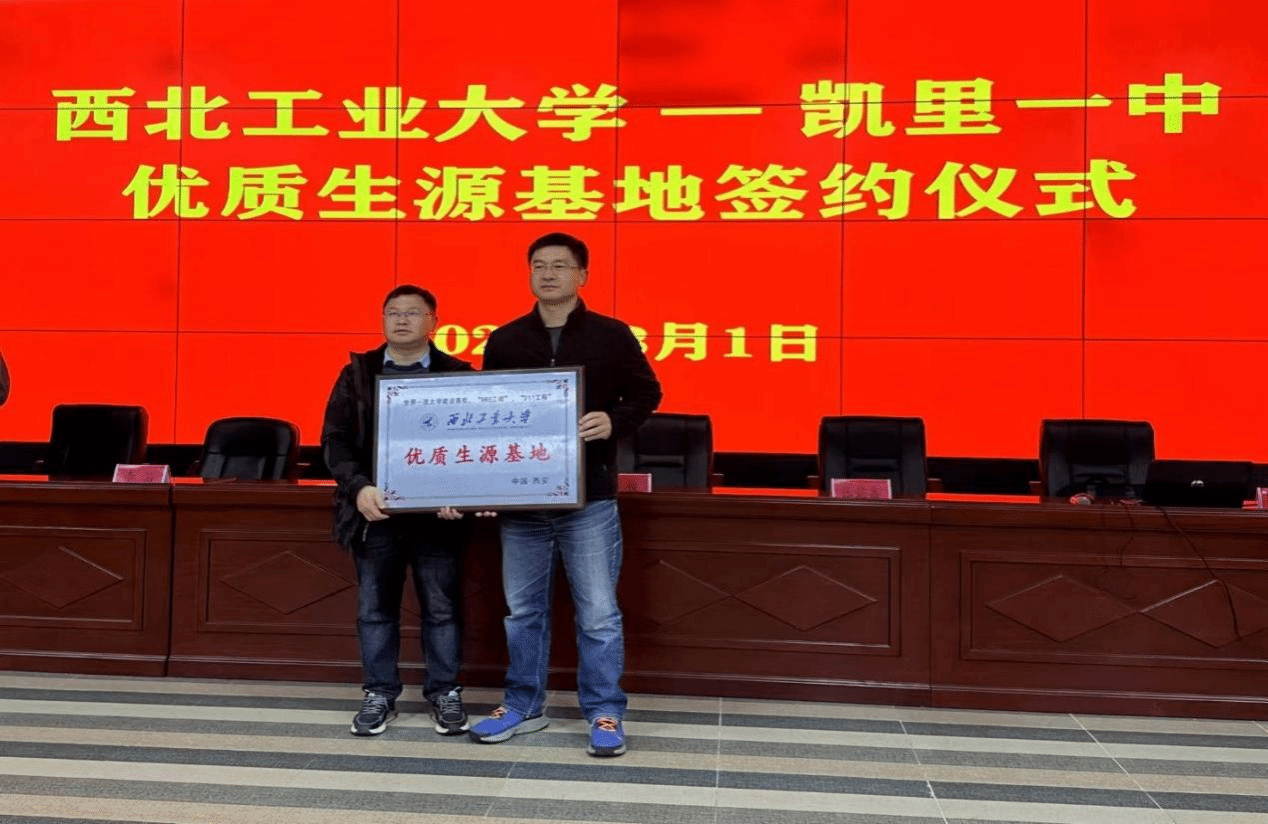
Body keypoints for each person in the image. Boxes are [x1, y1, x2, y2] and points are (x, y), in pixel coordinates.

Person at [470, 232, 662, 757]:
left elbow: (647, 392)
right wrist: (483, 483)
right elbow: (489, 414)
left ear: (583, 275)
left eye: (559, 265)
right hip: (522, 501)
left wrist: (614, 420)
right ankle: (524, 705)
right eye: (539, 265)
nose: (548, 273)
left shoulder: (611, 335)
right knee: (522, 612)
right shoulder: (505, 340)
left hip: (589, 498)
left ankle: (604, 711)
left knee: (598, 613)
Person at [321, 285, 475, 737]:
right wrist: (359, 488)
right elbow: (335, 442)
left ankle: (445, 692)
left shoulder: (458, 374)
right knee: (375, 609)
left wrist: (463, 494)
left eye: (412, 312)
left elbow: (473, 445)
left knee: (442, 609)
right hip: (377, 514)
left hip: (437, 519)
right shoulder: (358, 373)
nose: (401, 320)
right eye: (393, 312)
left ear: (434, 322)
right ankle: (379, 693)